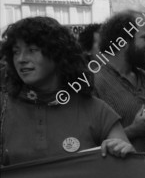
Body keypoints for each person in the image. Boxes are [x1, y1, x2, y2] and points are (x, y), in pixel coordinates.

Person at [0, 17, 133, 166]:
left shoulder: (96, 110)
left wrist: (123, 150)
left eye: (32, 50)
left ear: (58, 54)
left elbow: (129, 168)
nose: (21, 59)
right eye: (16, 52)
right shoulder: (3, 108)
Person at [94, 10, 145, 153]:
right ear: (123, 41)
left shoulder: (144, 77)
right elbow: (91, 143)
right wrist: (132, 131)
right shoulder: (95, 82)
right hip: (123, 173)